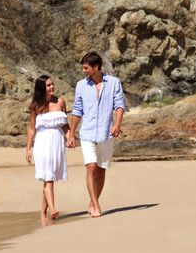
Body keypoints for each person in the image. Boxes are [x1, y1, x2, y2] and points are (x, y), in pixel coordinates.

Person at [67, 52, 125, 218]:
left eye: (86, 68)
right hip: (87, 133)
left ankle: (93, 201)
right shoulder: (81, 85)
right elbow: (77, 111)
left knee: (101, 170)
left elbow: (119, 105)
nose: (84, 71)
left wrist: (118, 124)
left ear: (96, 67)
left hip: (107, 133)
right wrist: (71, 134)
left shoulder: (114, 83)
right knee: (91, 167)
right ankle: (97, 205)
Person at [26, 75, 70, 225]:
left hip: (57, 143)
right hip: (42, 143)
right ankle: (52, 209)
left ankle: (43, 214)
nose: (52, 87)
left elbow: (65, 125)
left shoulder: (60, 102)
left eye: (52, 84)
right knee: (48, 177)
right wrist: (28, 149)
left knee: (48, 177)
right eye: (48, 85)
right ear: (41, 89)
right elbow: (32, 129)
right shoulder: (36, 106)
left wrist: (70, 138)